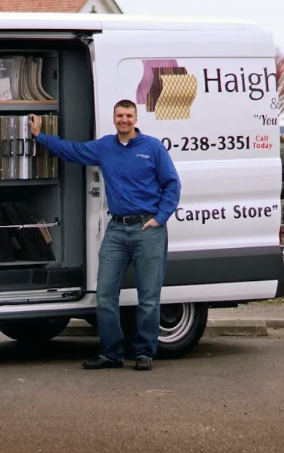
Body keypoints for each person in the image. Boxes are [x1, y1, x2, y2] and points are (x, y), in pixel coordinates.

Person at [29, 99, 180, 371]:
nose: (124, 120)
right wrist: (41, 137)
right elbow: (71, 151)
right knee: (105, 293)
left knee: (148, 297)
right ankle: (112, 353)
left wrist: (160, 218)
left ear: (135, 118)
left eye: (129, 115)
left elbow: (172, 184)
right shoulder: (104, 147)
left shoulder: (153, 147)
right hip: (117, 228)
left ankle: (144, 352)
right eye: (120, 115)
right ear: (114, 119)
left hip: (148, 229)